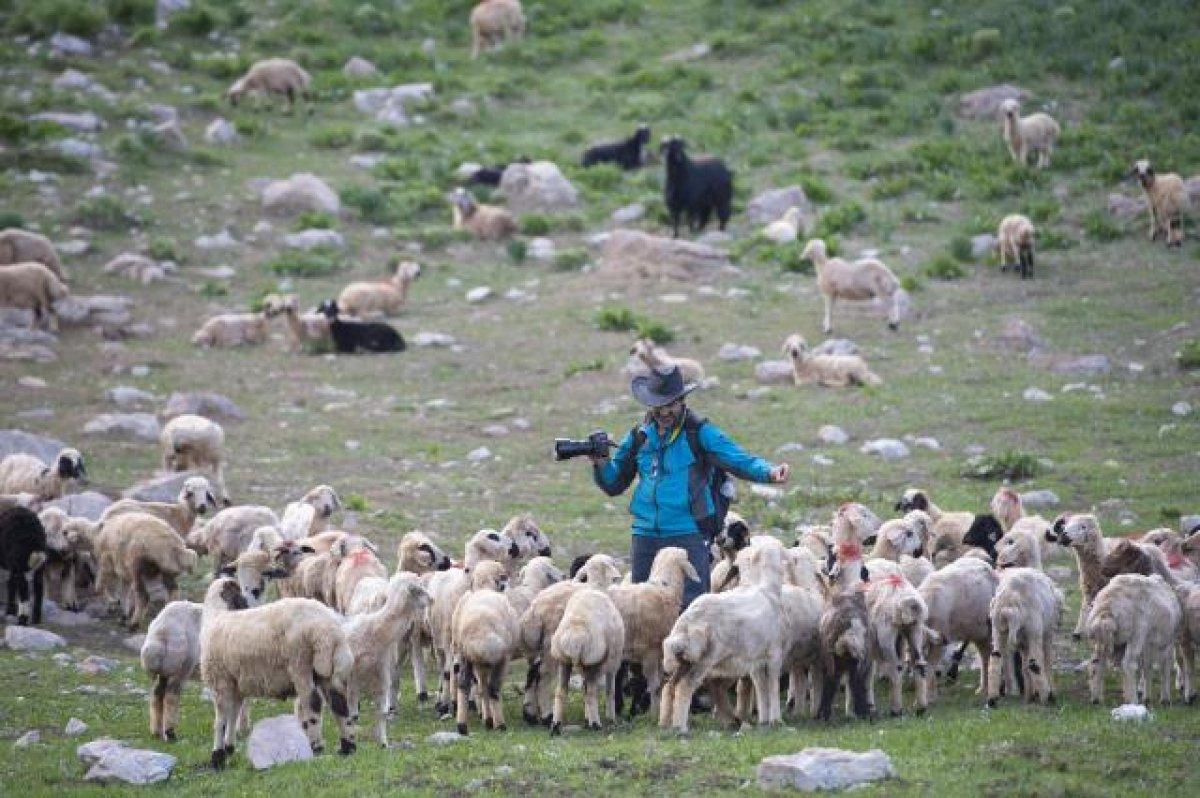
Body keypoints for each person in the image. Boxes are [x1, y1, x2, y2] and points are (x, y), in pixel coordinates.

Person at [590, 364, 790, 608]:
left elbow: (738, 459)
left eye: (671, 404)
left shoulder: (700, 433)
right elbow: (613, 483)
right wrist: (600, 463)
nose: (665, 411)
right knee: (642, 613)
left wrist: (769, 472)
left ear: (682, 400)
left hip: (687, 534)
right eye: (659, 405)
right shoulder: (639, 437)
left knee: (691, 610)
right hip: (644, 537)